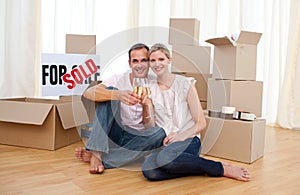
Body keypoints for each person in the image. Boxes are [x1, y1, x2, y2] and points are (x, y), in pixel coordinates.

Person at [141, 43, 250, 182]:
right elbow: (150, 127)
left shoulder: (186, 84)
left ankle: (221, 168)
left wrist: (181, 135)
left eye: (161, 59)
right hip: (166, 145)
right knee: (149, 171)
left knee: (165, 158)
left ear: (169, 60)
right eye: (153, 60)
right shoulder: (149, 89)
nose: (157, 64)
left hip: (188, 139)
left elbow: (201, 123)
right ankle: (194, 165)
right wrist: (145, 106)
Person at [75, 43, 166, 174]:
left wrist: (147, 106)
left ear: (149, 62)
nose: (139, 65)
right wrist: (117, 95)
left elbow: (150, 128)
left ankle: (103, 158)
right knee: (109, 91)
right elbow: (88, 93)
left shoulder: (156, 84)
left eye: (143, 60)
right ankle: (96, 153)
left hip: (137, 140)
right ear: (130, 63)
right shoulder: (118, 79)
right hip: (116, 134)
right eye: (135, 61)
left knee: (159, 133)